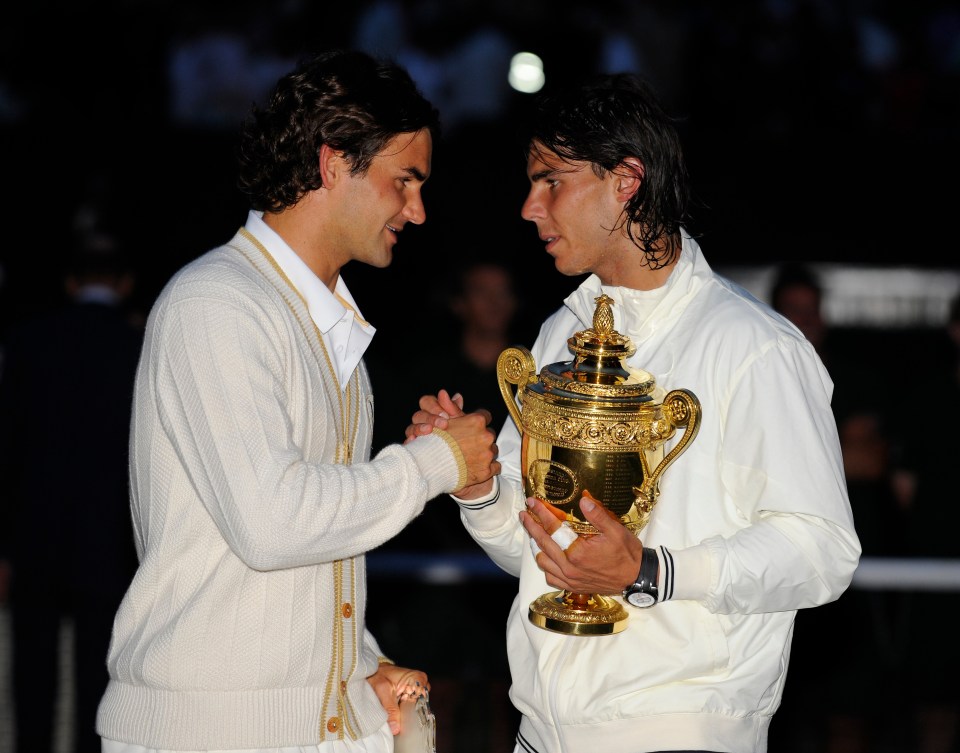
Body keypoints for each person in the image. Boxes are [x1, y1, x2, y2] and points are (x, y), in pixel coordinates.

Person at [408, 72, 861, 753]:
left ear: (625, 182)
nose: (530, 207)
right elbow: (533, 553)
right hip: (543, 733)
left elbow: (823, 549)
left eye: (551, 180)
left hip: (680, 733)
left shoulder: (754, 345)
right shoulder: (559, 333)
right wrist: (477, 490)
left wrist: (649, 570)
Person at [94, 48, 500, 753]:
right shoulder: (217, 302)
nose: (418, 210)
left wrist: (358, 665)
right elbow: (273, 521)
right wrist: (433, 463)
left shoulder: (327, 327)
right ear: (333, 162)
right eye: (405, 181)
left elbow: (300, 563)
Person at [0, 231, 143, 753]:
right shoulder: (138, 345)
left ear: (69, 281)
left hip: (35, 537)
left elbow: (8, 448)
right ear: (125, 283)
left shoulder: (28, 341)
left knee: (31, 683)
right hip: (109, 542)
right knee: (98, 689)